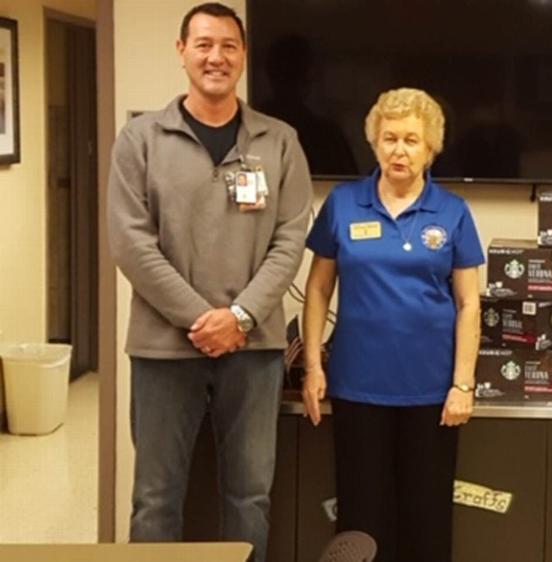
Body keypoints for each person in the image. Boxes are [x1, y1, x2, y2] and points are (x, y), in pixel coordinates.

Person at [106, 4, 312, 561]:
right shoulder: (141, 139)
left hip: (255, 349)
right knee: (155, 499)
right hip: (163, 349)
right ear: (182, 52)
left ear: (243, 55)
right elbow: (130, 243)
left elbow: (290, 239)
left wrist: (239, 318)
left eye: (228, 45)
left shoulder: (279, 141)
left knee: (250, 497)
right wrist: (202, 319)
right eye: (203, 44)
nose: (215, 57)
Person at [301, 87, 484, 562]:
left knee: (426, 518)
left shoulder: (453, 211)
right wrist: (313, 366)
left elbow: (468, 303)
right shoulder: (343, 203)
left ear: (430, 148)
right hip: (358, 389)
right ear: (374, 143)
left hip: (432, 393)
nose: (399, 150)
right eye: (389, 139)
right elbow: (317, 289)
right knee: (361, 520)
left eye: (411, 140)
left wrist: (463, 383)